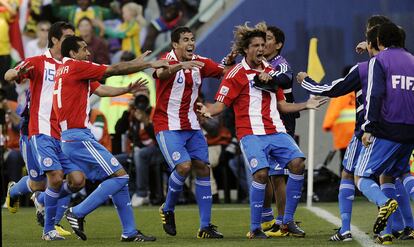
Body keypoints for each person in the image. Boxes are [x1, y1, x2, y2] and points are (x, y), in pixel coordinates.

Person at [197, 22, 327, 239]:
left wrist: (306, 105)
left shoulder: (271, 71)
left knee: (298, 163)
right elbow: (220, 105)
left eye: (262, 44)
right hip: (251, 134)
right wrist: (207, 110)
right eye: (255, 45)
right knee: (262, 174)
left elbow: (282, 105)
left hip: (276, 131)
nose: (260, 48)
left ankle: (287, 221)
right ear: (245, 50)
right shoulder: (236, 74)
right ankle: (256, 227)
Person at [54, 35, 167, 242]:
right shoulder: (77, 67)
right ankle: (76, 212)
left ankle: (129, 232)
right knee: (121, 176)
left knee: (118, 180)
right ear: (72, 54)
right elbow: (112, 70)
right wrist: (146, 64)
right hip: (78, 136)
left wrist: (126, 88)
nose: (88, 53)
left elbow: (101, 89)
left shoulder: (65, 71)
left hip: (73, 137)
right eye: (83, 49)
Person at [4, 21, 83, 241]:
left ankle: (43, 201)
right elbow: (11, 74)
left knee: (75, 180)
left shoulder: (73, 64)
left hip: (62, 133)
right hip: (36, 130)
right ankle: (17, 194)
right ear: (56, 40)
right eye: (68, 37)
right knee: (40, 182)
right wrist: (15, 72)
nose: (72, 41)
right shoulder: (39, 62)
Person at [153, 26, 233, 239]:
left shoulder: (200, 62)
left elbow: (225, 72)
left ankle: (205, 226)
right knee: (184, 166)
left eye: (192, 39)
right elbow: (160, 73)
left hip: (192, 126)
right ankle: (168, 208)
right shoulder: (166, 60)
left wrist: (234, 61)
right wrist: (180, 66)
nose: (190, 43)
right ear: (175, 44)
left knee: (203, 169)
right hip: (167, 125)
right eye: (185, 39)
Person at [354, 22, 414, 244]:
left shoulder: (378, 61)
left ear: (378, 41)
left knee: (361, 176)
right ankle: (387, 234)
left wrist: (369, 127)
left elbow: (375, 95)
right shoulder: (411, 60)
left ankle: (383, 202)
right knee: (396, 174)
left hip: (389, 129)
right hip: (410, 131)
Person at [260, 25, 298, 237]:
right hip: (264, 122)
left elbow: (285, 78)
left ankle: (283, 221)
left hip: (282, 123)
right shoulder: (260, 64)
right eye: (261, 40)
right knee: (264, 173)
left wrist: (270, 77)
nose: (264, 43)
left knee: (277, 175)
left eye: (268, 39)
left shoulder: (280, 64)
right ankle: (269, 220)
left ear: (279, 45)